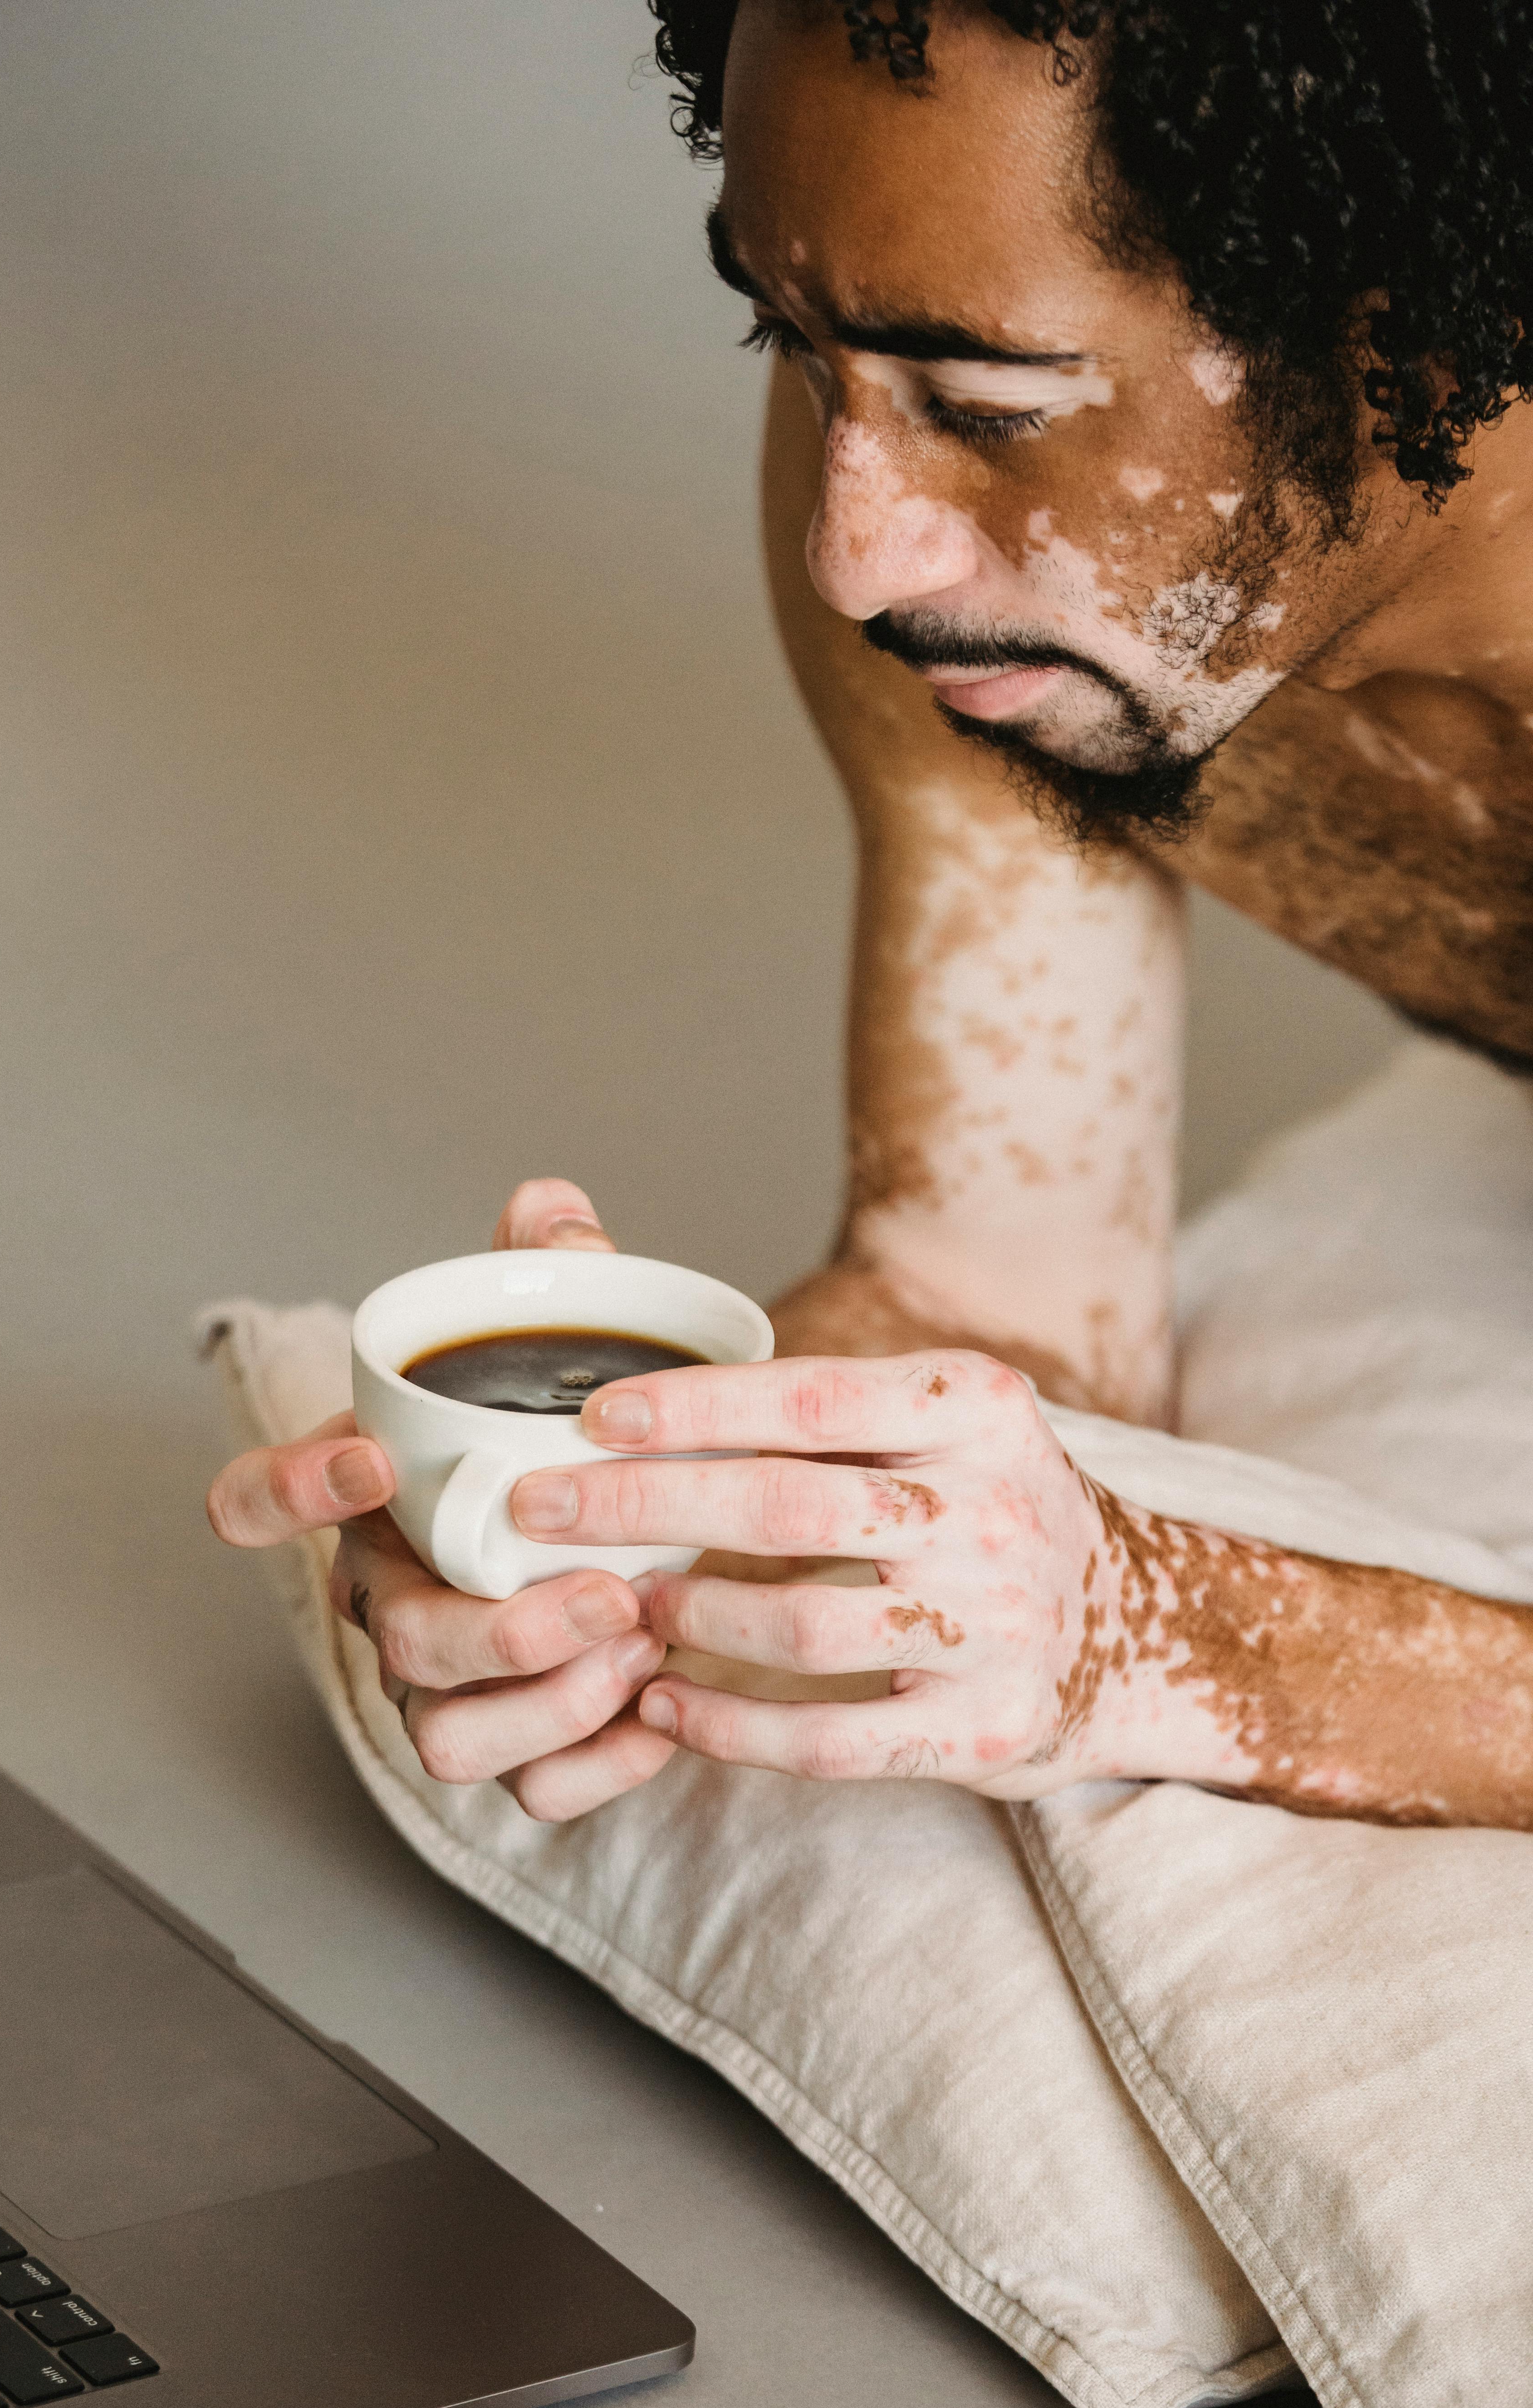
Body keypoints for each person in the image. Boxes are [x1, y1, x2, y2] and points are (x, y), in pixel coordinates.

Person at [209, 0, 1533, 1831]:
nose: (856, 549)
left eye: (984, 408)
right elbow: (998, 1291)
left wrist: (1152, 1632)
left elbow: (1124, 1612)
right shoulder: (951, 532)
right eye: (796, 346)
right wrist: (600, 1516)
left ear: (1421, 307)